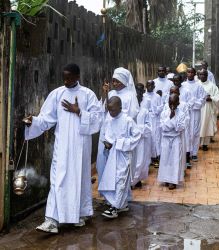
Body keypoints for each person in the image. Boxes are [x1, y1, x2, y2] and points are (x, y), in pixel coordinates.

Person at [23, 63, 102, 233]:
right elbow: (47, 119)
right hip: (62, 146)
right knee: (58, 180)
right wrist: (33, 121)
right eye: (64, 78)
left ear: (77, 77)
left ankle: (79, 214)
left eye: (69, 78)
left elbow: (97, 119)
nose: (66, 81)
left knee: (79, 180)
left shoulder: (88, 94)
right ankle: (51, 220)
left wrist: (79, 111)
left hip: (81, 147)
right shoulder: (57, 94)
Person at [98, 96, 141, 218]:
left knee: (120, 180)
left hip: (124, 155)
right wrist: (107, 144)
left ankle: (115, 208)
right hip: (112, 156)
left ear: (120, 108)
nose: (111, 113)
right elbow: (109, 136)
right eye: (109, 110)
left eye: (113, 110)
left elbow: (137, 135)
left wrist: (122, 143)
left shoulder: (128, 120)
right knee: (113, 179)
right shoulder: (110, 121)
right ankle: (123, 204)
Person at [96, 67, 139, 185]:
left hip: (120, 133)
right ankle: (106, 190)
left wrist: (118, 117)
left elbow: (132, 114)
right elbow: (103, 110)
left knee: (118, 166)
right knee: (103, 159)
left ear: (124, 81)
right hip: (107, 129)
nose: (114, 83)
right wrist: (104, 95)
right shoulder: (111, 93)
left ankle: (119, 194)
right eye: (113, 80)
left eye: (117, 81)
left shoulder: (130, 96)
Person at [157, 94, 186, 190]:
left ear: (178, 103)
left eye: (174, 103)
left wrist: (173, 119)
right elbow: (163, 127)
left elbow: (180, 128)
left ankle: (173, 181)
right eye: (170, 103)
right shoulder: (164, 113)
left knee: (174, 159)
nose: (172, 106)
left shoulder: (181, 114)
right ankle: (166, 178)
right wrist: (171, 119)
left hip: (176, 138)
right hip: (166, 138)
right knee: (165, 159)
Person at [182, 68, 207, 162]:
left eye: (192, 72)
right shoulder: (183, 85)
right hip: (185, 112)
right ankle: (187, 151)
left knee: (195, 132)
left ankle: (194, 153)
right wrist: (187, 105)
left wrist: (193, 104)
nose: (190, 74)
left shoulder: (199, 85)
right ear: (186, 73)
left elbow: (202, 98)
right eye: (188, 72)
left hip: (195, 111)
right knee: (186, 132)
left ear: (195, 73)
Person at [131, 83, 152, 188]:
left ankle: (137, 179)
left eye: (140, 92)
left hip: (141, 138)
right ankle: (132, 180)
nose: (138, 94)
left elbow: (149, 125)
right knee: (132, 160)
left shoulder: (144, 110)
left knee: (141, 160)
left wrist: (140, 130)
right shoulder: (130, 108)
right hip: (131, 138)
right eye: (136, 92)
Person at [173, 74, 193, 168]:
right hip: (173, 122)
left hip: (183, 120)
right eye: (174, 81)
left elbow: (191, 102)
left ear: (181, 80)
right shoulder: (171, 90)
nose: (176, 83)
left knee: (186, 140)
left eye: (177, 81)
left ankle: (187, 159)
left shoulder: (186, 91)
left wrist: (182, 116)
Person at [141, 80, 163, 166]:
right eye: (148, 85)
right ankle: (148, 158)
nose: (150, 87)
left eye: (151, 85)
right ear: (146, 86)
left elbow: (161, 107)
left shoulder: (157, 96)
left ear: (154, 86)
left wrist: (154, 110)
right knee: (147, 137)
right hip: (146, 119)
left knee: (156, 138)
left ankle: (155, 157)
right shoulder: (143, 96)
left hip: (155, 119)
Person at [199, 70, 219, 150]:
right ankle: (196, 144)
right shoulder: (197, 85)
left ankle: (205, 144)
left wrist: (211, 98)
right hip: (198, 109)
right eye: (200, 74)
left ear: (207, 75)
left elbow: (218, 95)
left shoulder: (212, 86)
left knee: (206, 125)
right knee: (197, 126)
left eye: (203, 74)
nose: (202, 76)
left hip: (207, 109)